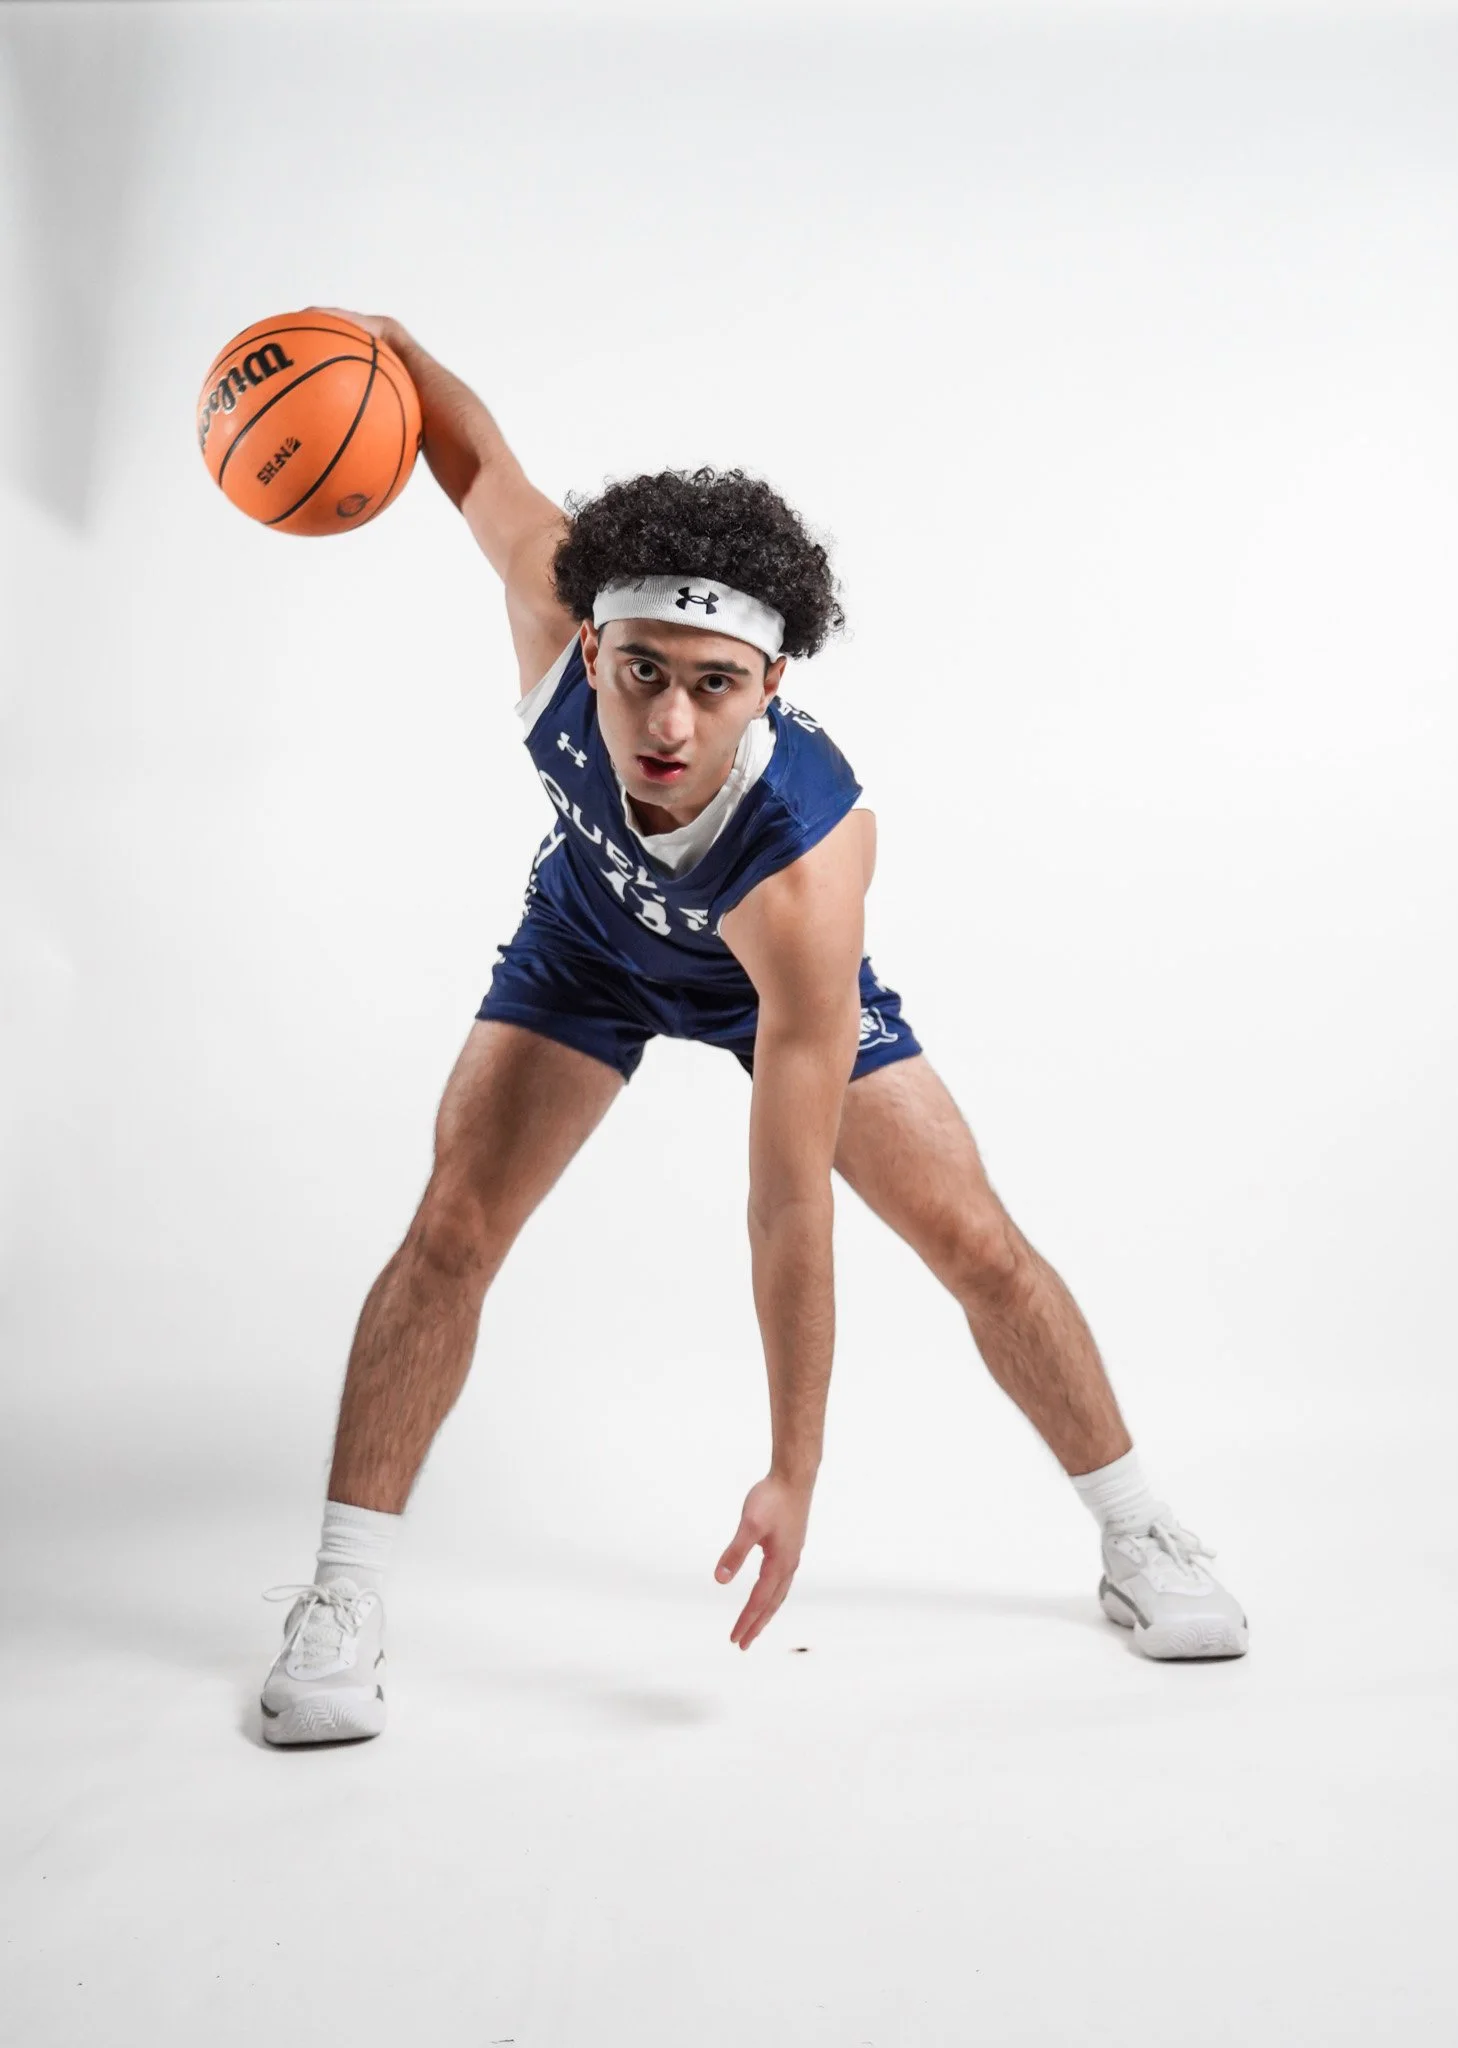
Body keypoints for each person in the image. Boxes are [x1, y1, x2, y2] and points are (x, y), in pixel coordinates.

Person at [258, 308, 1249, 1747]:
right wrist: (384, 352)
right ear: (589, 644)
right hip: (587, 941)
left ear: (769, 687)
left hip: (756, 981)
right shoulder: (554, 619)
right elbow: (473, 462)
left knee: (974, 1241)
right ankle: (340, 1598)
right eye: (640, 670)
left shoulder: (805, 871)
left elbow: (787, 1207)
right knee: (453, 1229)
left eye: (713, 685)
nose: (666, 719)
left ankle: (1139, 1530)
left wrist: (793, 1468)